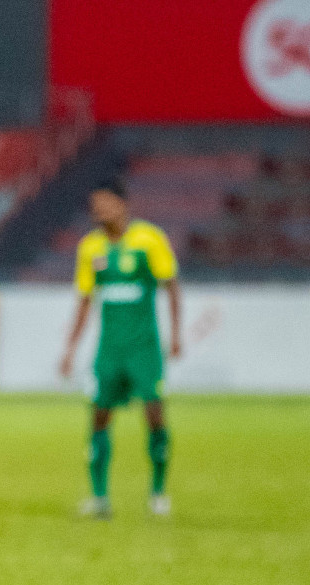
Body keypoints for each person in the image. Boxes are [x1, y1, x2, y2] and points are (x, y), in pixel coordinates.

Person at [59, 179, 182, 518]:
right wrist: (70, 349)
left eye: (104, 203)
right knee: (99, 416)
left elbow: (171, 286)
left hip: (144, 348)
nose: (98, 211)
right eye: (94, 205)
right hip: (109, 349)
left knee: (155, 413)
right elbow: (85, 301)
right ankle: (100, 498)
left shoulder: (149, 240)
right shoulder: (91, 248)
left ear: (122, 204)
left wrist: (176, 334)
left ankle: (158, 494)